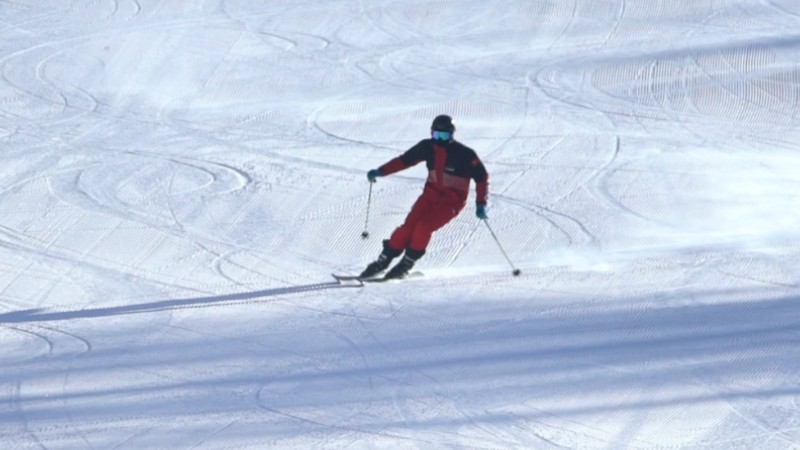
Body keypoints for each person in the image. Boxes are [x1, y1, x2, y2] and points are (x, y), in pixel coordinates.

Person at [360, 114, 489, 279]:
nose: (440, 140)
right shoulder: (427, 147)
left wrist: (480, 203)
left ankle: (406, 263)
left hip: (451, 202)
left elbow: (481, 177)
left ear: (451, 135)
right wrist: (381, 171)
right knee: (407, 228)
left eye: (444, 136)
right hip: (429, 196)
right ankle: (383, 261)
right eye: (436, 135)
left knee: (424, 227)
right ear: (431, 133)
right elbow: (404, 161)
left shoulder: (465, 154)